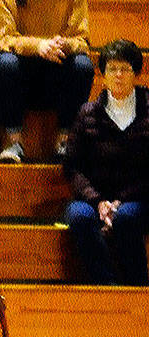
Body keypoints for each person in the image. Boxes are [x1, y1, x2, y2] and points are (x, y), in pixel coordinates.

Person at [0, 0, 93, 162]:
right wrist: (38, 46)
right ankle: (14, 142)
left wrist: (63, 45)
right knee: (3, 63)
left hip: (58, 71)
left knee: (83, 66)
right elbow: (3, 40)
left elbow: (82, 40)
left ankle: (65, 140)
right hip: (20, 75)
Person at [62, 40, 149, 285]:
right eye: (112, 69)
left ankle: (137, 289)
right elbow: (72, 167)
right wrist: (98, 201)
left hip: (139, 199)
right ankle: (106, 287)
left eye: (125, 69)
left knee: (127, 218)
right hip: (94, 198)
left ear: (136, 73)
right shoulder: (87, 112)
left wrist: (121, 201)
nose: (118, 75)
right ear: (103, 75)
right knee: (78, 216)